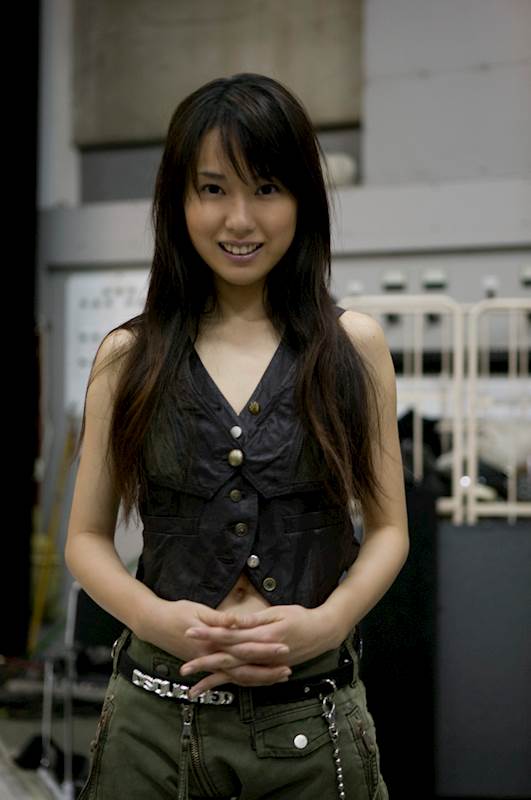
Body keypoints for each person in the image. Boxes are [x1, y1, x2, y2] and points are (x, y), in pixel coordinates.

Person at [65, 72, 409, 800]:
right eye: (213, 189)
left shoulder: (354, 348)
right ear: (178, 200)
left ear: (303, 200)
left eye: (267, 188)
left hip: (311, 723)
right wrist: (156, 618)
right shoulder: (128, 357)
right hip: (153, 727)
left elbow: (388, 531)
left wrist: (328, 623)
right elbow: (85, 540)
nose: (240, 220)